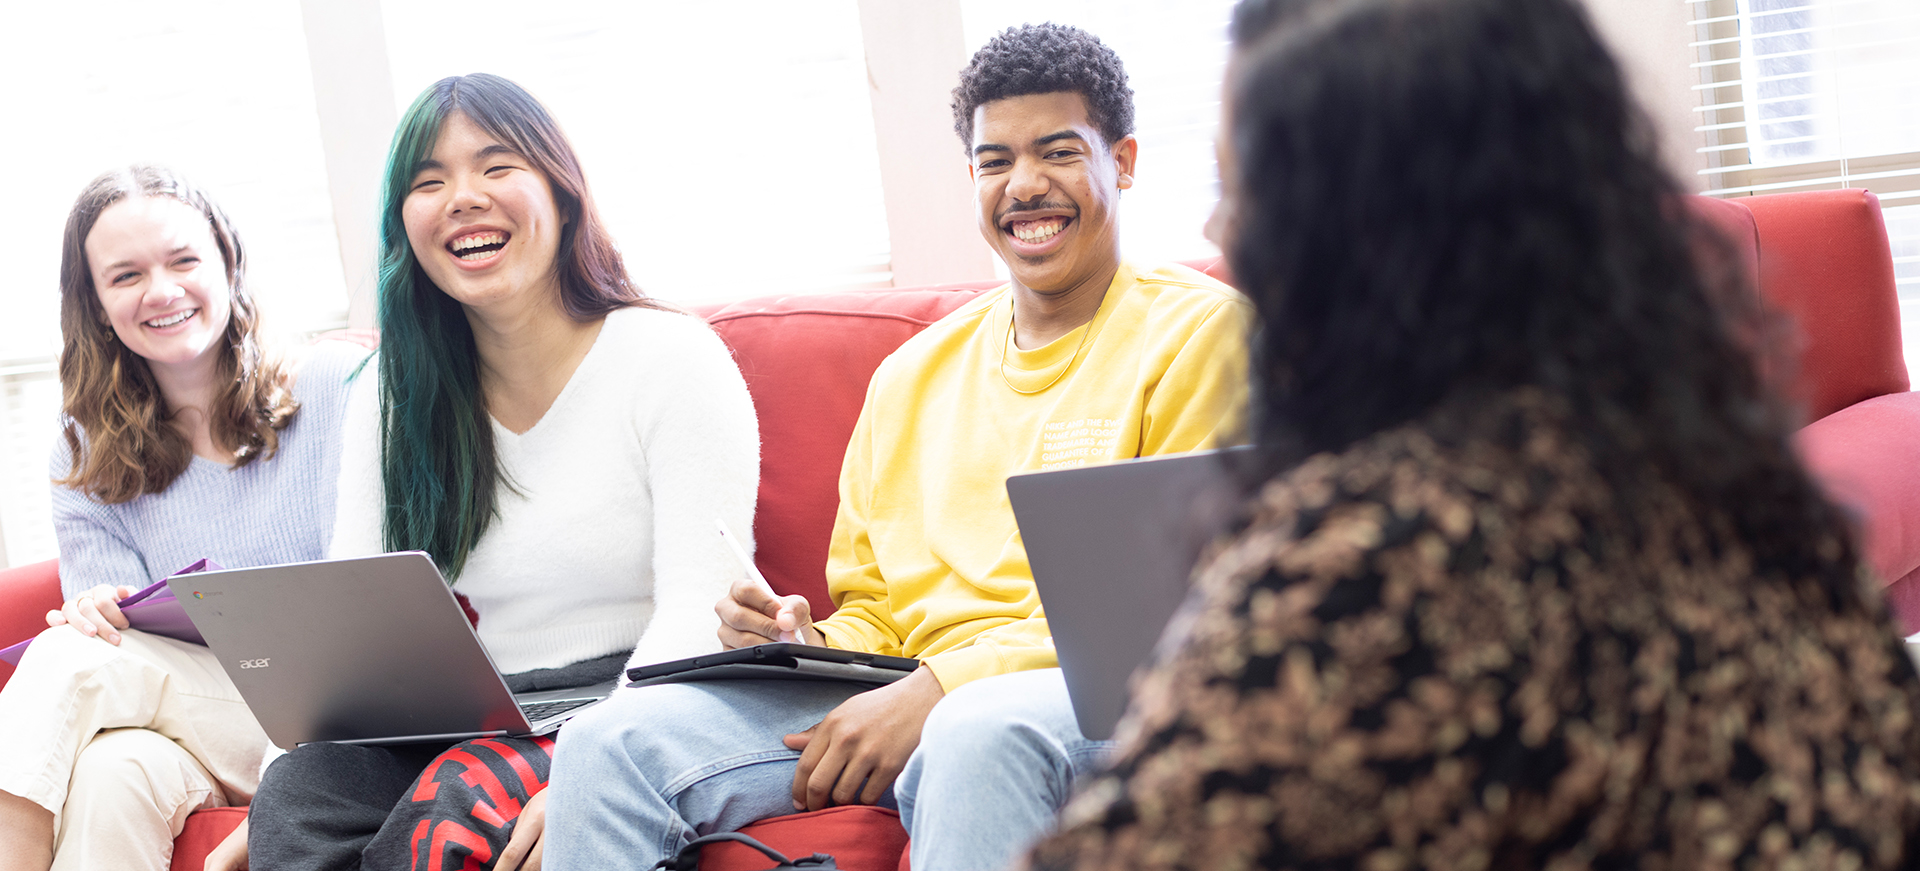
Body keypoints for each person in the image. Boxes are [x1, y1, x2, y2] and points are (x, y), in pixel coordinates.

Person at [1024, 0, 1920, 868]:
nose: (1219, 229)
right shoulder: (1734, 494)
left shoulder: (1382, 558)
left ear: (1360, 235)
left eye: (1241, 189)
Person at [544, 23, 1252, 871]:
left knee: (969, 733)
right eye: (995, 162)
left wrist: (943, 685)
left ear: (1123, 160)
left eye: (1057, 152)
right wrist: (805, 639)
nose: (1024, 185)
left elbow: (1158, 612)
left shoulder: (1199, 334)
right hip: (905, 687)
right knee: (606, 742)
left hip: (1090, 695)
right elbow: (876, 607)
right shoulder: (912, 374)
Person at [214, 74, 761, 871]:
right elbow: (347, 628)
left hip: (631, 698)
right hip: (471, 710)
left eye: (497, 166)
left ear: (563, 193)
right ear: (405, 225)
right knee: (302, 790)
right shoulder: (394, 397)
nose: (462, 197)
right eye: (428, 181)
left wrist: (597, 763)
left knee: (459, 798)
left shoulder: (669, 358)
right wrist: (265, 801)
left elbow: (698, 605)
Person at [0, 165, 360, 871]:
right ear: (98, 304)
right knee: (112, 773)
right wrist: (99, 607)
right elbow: (120, 654)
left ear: (228, 264)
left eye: (184, 260)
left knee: (69, 659)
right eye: (126, 275)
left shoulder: (331, 390)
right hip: (192, 722)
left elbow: (368, 603)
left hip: (328, 720)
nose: (162, 291)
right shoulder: (83, 450)